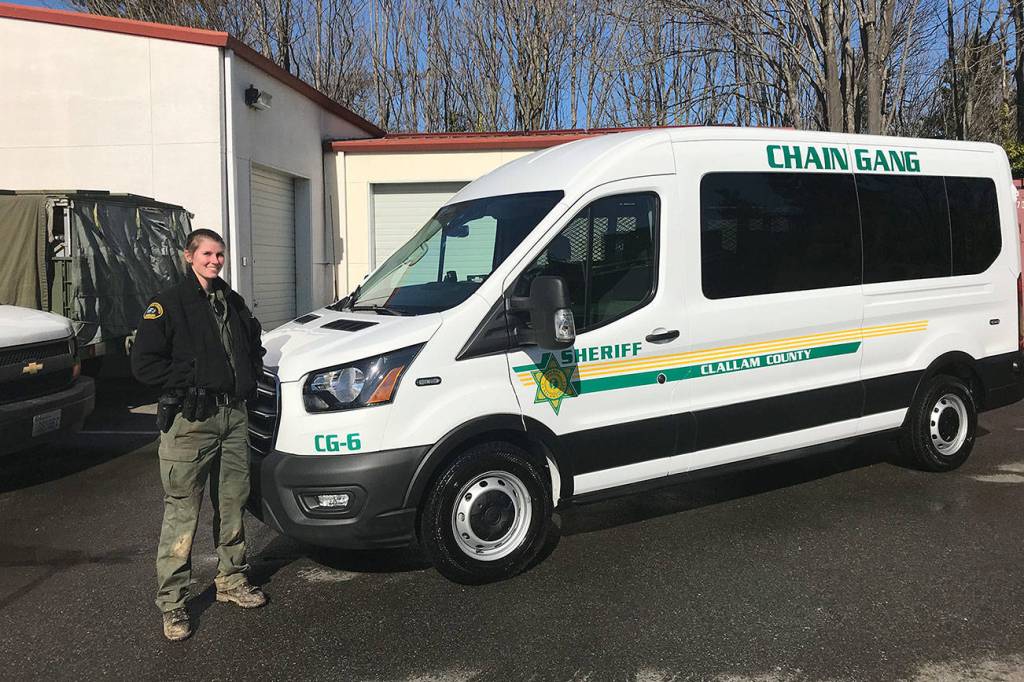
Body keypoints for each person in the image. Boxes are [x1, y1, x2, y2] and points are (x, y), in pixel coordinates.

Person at [131, 228, 267, 642]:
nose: (214, 261)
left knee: (233, 503)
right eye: (207, 253)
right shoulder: (169, 303)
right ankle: (173, 603)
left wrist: (251, 373)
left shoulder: (231, 301)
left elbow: (253, 344)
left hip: (233, 417)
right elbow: (144, 363)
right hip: (191, 422)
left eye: (219, 254)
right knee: (182, 512)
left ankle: (232, 579)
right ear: (188, 256)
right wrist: (188, 378)